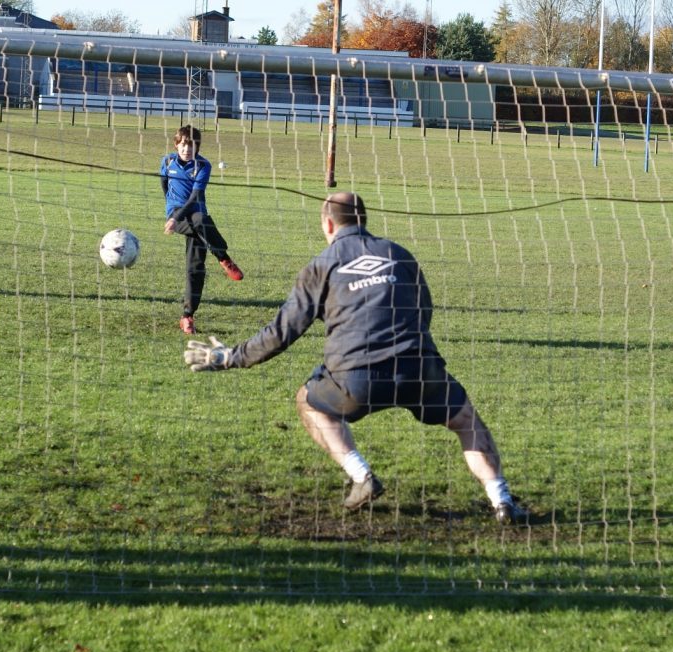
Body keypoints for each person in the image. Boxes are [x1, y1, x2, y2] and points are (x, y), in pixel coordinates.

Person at [183, 191, 528, 524]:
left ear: (328, 226)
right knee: (466, 421)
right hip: (420, 370)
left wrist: (232, 357)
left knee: (307, 401)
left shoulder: (321, 266)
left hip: (355, 379)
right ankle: (502, 501)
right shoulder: (400, 254)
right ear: (364, 220)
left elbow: (282, 332)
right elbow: (424, 309)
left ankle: (362, 475)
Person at [160, 125, 244, 335]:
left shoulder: (203, 165)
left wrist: (176, 217)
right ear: (176, 145)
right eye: (183, 145)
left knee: (195, 268)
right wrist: (172, 213)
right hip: (178, 216)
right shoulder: (168, 161)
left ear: (198, 147)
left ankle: (187, 316)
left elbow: (195, 197)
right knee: (199, 220)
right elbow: (164, 185)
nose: (187, 149)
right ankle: (224, 258)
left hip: (196, 216)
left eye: (192, 145)